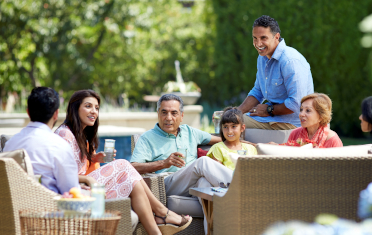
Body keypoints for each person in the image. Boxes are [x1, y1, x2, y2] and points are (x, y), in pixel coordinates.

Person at [55, 90, 191, 235]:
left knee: (131, 179)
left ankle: (157, 228)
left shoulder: (80, 135)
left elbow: (75, 164)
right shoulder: (65, 134)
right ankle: (162, 212)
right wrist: (88, 178)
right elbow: (61, 175)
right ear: (75, 108)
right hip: (75, 192)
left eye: (96, 108)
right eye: (88, 106)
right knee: (124, 165)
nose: (94, 111)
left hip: (86, 188)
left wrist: (93, 158)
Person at [130, 93, 233, 234]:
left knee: (205, 184)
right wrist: (163, 163)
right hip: (167, 184)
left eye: (174, 113)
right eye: (164, 112)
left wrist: (254, 144)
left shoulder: (189, 132)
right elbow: (132, 167)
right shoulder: (147, 138)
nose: (168, 118)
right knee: (202, 162)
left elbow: (224, 139)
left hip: (193, 183)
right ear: (158, 113)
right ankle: (241, 186)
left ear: (182, 116)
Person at [236, 15, 314, 130]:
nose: (258, 44)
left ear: (276, 37)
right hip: (272, 118)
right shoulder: (262, 58)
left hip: (294, 124)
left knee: (234, 124)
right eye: (255, 38)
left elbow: (296, 103)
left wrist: (269, 110)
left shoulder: (290, 61)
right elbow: (258, 92)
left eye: (263, 38)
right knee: (232, 119)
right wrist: (236, 112)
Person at [4, 87, 80, 194]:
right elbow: (72, 190)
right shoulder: (59, 145)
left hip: (13, 209)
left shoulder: (9, 145)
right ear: (56, 114)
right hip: (51, 209)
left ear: (28, 112)